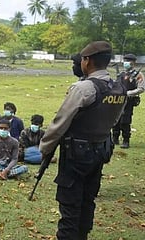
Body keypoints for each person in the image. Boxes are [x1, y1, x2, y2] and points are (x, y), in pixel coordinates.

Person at [39, 41, 126, 239]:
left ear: (87, 61)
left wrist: (45, 148)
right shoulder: (118, 88)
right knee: (88, 202)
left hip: (76, 156)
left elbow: (60, 122)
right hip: (100, 152)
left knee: (70, 208)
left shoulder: (84, 88)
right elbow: (114, 120)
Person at [112, 53, 144, 149]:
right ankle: (115, 138)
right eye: (125, 60)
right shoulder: (121, 74)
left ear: (133, 63)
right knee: (116, 120)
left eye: (128, 61)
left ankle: (126, 140)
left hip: (129, 101)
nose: (126, 63)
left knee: (125, 121)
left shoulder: (138, 75)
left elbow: (141, 88)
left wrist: (128, 93)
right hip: (118, 100)